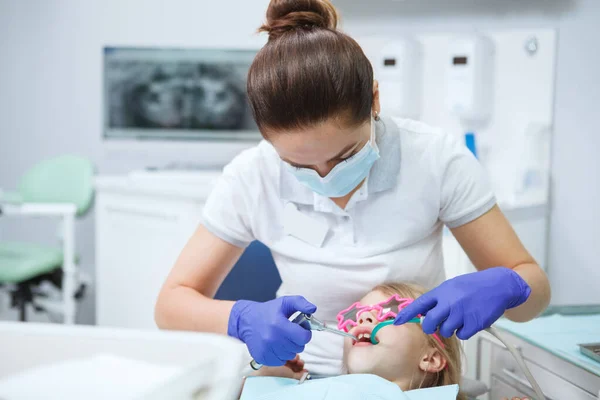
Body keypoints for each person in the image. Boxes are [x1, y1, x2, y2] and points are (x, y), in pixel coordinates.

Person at [155, 0, 551, 377]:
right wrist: (239, 319)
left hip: (408, 380)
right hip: (299, 376)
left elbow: (534, 291)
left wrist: (510, 286)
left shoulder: (435, 160)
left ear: (375, 100)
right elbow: (171, 304)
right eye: (298, 165)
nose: (325, 176)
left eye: (345, 155)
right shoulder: (252, 175)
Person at [239, 283, 528, 400]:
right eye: (357, 315)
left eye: (388, 312)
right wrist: (271, 373)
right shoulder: (319, 391)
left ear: (430, 358)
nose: (363, 321)